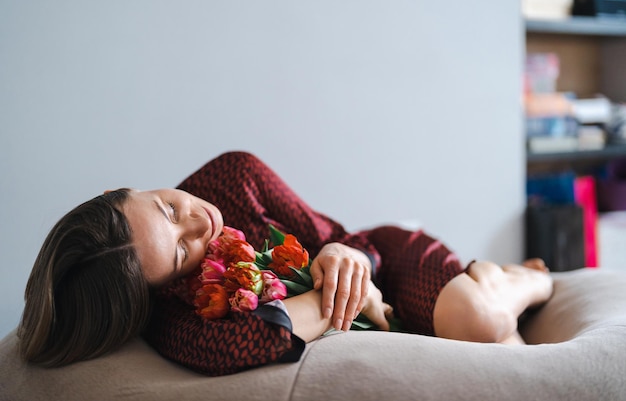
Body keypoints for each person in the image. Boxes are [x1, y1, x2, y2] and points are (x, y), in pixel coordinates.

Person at [18, 151, 554, 376]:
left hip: (389, 261)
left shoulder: (236, 175)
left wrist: (344, 258)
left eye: (168, 208)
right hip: (370, 311)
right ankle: (493, 280)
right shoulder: (171, 310)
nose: (200, 224)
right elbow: (248, 341)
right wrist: (340, 302)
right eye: (182, 252)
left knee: (477, 321)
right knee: (511, 353)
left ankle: (529, 279)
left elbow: (346, 239)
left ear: (119, 190)